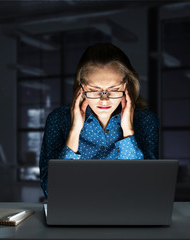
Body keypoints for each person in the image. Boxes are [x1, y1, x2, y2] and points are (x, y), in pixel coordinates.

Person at [39, 43, 159, 197]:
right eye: (94, 90)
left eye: (114, 90)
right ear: (81, 88)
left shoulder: (146, 120)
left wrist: (128, 132)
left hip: (127, 213)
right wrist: (74, 132)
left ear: (126, 86)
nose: (104, 100)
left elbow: (145, 186)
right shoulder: (58, 119)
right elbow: (52, 190)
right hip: (74, 212)